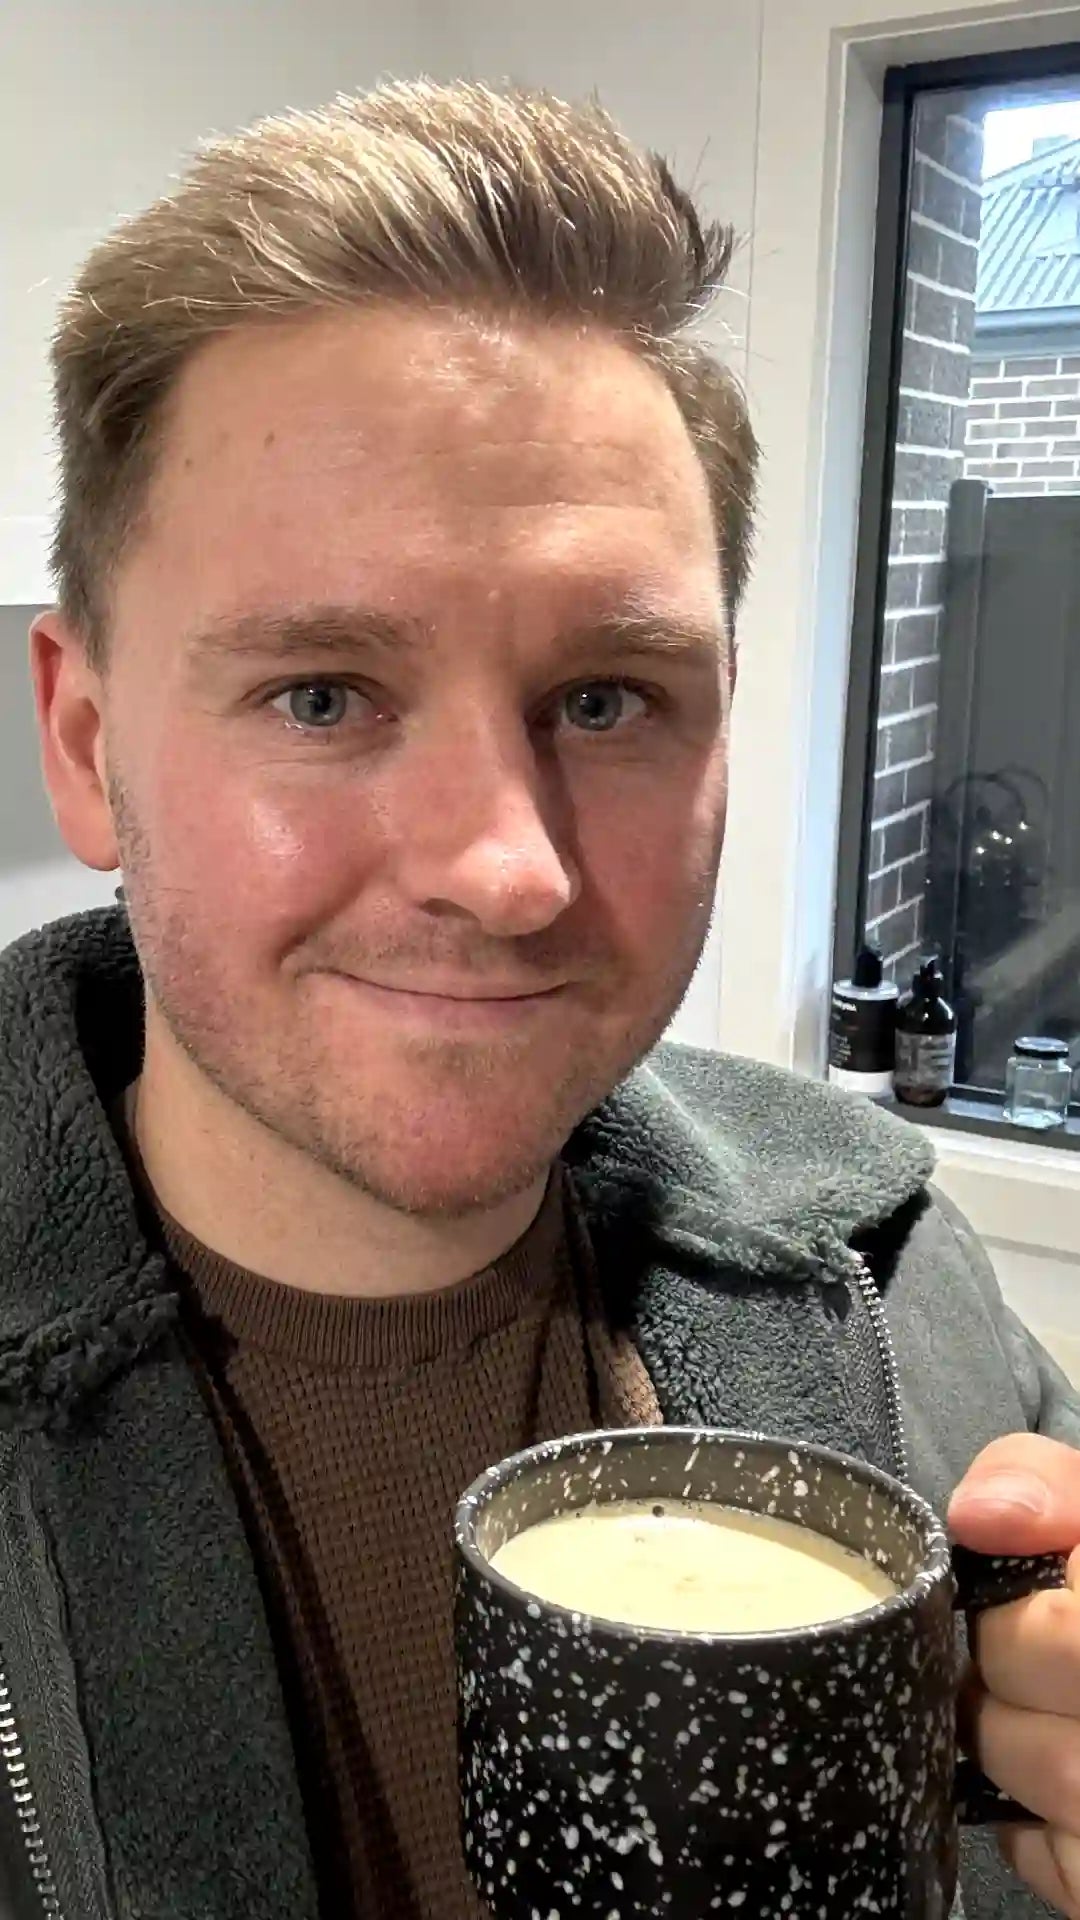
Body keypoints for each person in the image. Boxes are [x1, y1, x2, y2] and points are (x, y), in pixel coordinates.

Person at [1, 73, 1077, 1920]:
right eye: (324, 693)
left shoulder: (894, 1274)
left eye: (605, 702)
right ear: (88, 744)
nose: (506, 869)